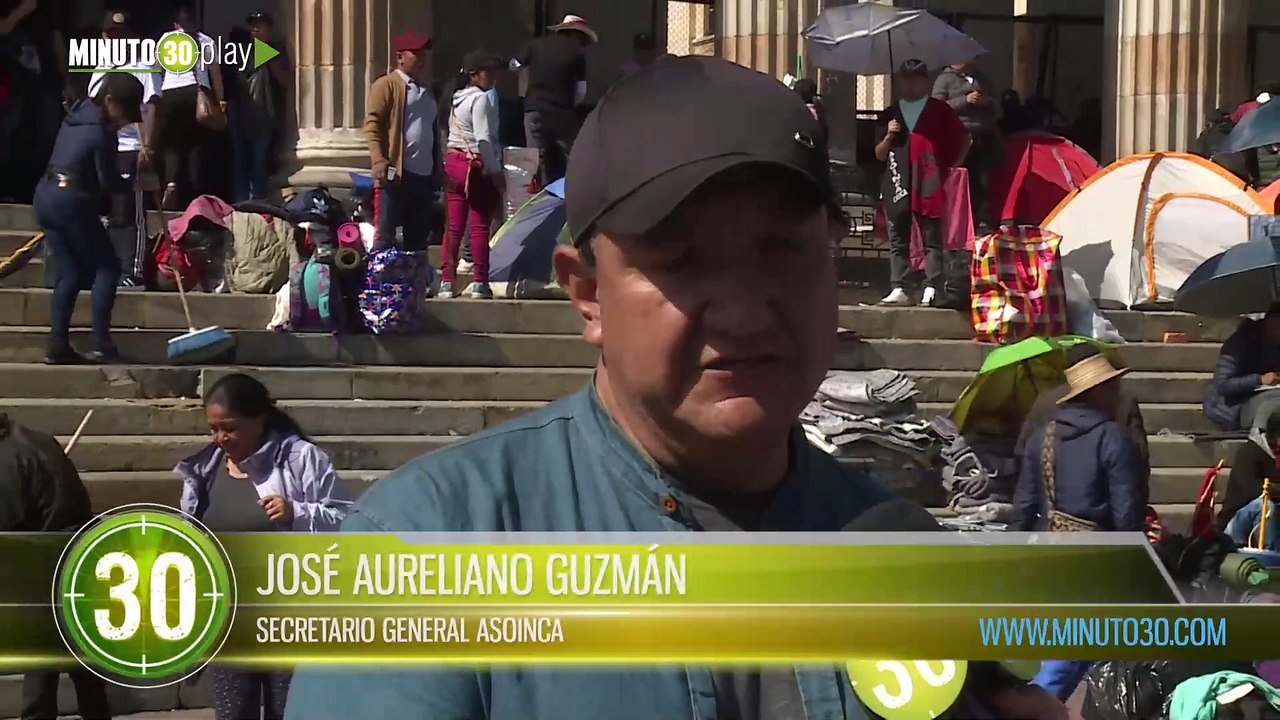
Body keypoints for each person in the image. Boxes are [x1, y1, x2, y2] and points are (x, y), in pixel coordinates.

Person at [284, 56, 1067, 720]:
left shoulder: (897, 548)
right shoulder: (425, 552)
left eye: (783, 251)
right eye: (683, 262)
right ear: (587, 294)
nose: (744, 309)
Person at [175, 373, 350, 720]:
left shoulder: (301, 459)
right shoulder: (204, 469)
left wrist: (296, 512)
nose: (221, 438)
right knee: (232, 712)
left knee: (288, 711)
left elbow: (346, 520)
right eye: (213, 429)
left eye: (230, 428)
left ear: (259, 420)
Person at [1014, 348, 1143, 702]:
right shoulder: (1112, 438)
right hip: (1094, 562)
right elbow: (1127, 512)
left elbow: (1023, 506)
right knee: (1071, 653)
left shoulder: (1044, 438)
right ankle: (1031, 708)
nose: (1117, 394)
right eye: (1113, 388)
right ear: (1097, 392)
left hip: (1049, 554)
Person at [0, 413, 113, 720]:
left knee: (42, 657)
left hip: (47, 559)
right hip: (78, 550)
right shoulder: (37, 438)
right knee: (81, 659)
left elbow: (9, 520)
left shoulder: (8, 459)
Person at [36, 73, 142, 365]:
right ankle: (101, 343)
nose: (125, 122)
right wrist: (134, 181)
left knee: (70, 272)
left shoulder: (76, 115)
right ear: (109, 101)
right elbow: (108, 183)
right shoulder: (101, 134)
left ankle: (57, 345)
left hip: (46, 196)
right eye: (125, 113)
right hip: (72, 202)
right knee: (107, 267)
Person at [875, 59, 969, 308]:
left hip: (929, 180)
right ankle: (899, 287)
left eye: (915, 79)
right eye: (905, 79)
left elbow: (963, 139)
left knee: (931, 238)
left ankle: (932, 286)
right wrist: (888, 135)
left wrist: (949, 169)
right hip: (897, 179)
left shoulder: (940, 110)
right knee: (898, 238)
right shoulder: (890, 113)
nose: (909, 84)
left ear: (925, 82)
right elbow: (878, 154)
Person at [1015, 347, 1151, 510]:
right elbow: (1139, 462)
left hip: (1050, 516)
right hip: (1104, 518)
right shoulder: (1122, 403)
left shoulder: (1044, 403)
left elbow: (1023, 459)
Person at [88, 10, 160, 288]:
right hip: (107, 146)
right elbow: (94, 101)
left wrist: (148, 146)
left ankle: (133, 270)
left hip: (133, 145)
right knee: (109, 211)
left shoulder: (144, 61)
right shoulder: (101, 62)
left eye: (119, 32)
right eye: (109, 32)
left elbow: (152, 102)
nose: (112, 37)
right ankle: (108, 266)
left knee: (131, 210)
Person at [439, 50, 506, 300]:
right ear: (473, 75)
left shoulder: (456, 98)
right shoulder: (479, 99)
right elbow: (483, 138)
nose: (493, 76)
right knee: (479, 228)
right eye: (488, 71)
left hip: (453, 162)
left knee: (453, 227)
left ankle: (447, 281)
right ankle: (480, 281)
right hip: (475, 166)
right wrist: (495, 171)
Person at [364, 30, 438, 251]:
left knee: (418, 236)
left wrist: (438, 168)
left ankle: (412, 282)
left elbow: (431, 131)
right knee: (386, 234)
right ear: (400, 57)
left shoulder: (427, 91)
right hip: (396, 174)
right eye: (415, 53)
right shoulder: (387, 85)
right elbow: (372, 124)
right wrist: (378, 159)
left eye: (423, 54)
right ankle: (380, 281)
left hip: (423, 175)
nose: (421, 59)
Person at [515, 14, 596, 186]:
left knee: (535, 159)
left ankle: (538, 199)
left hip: (533, 110)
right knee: (572, 155)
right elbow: (581, 91)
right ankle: (573, 193)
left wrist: (523, 89)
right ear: (576, 34)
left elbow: (514, 64)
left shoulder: (535, 45)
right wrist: (571, 107)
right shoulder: (576, 53)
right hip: (561, 112)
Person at [156, 6, 223, 210]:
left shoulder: (166, 39)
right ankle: (196, 195)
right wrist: (220, 101)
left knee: (171, 144)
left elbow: (157, 69)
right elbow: (216, 75)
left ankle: (171, 182)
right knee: (196, 145)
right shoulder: (205, 41)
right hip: (196, 94)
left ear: (176, 24)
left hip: (170, 93)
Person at [228, 11, 291, 202]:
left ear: (269, 29)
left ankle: (257, 201)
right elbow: (237, 81)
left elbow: (286, 81)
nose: (255, 28)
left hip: (264, 116)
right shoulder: (243, 52)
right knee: (241, 163)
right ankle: (241, 202)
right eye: (253, 25)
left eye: (260, 25)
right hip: (242, 116)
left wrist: (270, 58)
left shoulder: (276, 51)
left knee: (259, 162)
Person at [933, 54, 999, 234]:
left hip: (983, 136)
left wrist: (986, 102)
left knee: (983, 181)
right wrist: (965, 101)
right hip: (959, 137)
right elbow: (936, 109)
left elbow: (996, 104)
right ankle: (956, 224)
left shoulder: (983, 80)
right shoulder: (944, 80)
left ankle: (981, 222)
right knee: (959, 181)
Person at [1204, 310, 1280, 431]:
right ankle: (1258, 438)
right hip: (1232, 406)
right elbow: (1223, 385)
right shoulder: (1239, 344)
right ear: (1269, 324)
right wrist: (1260, 379)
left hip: (1265, 396)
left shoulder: (1275, 345)